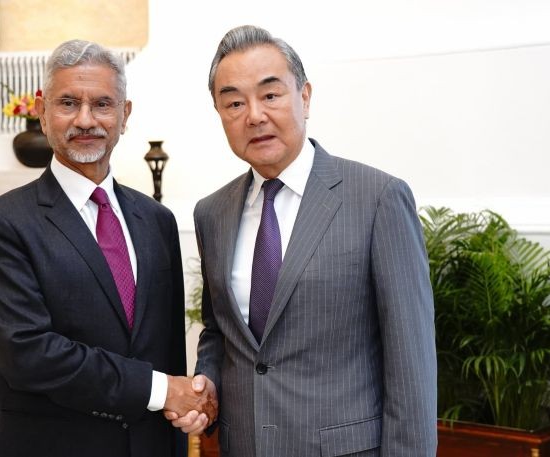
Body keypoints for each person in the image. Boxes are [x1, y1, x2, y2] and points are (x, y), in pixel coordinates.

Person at [167, 25, 437, 456]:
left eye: (270, 95)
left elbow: (411, 365)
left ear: (304, 97)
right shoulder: (212, 213)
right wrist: (208, 382)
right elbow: (220, 331)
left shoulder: (377, 199)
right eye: (234, 102)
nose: (254, 115)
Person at [0, 39, 214, 457]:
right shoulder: (1, 223)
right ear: (42, 112)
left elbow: (166, 350)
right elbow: (29, 355)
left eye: (102, 104)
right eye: (68, 103)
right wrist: (161, 390)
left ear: (124, 115)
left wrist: (183, 408)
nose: (85, 120)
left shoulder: (157, 220)